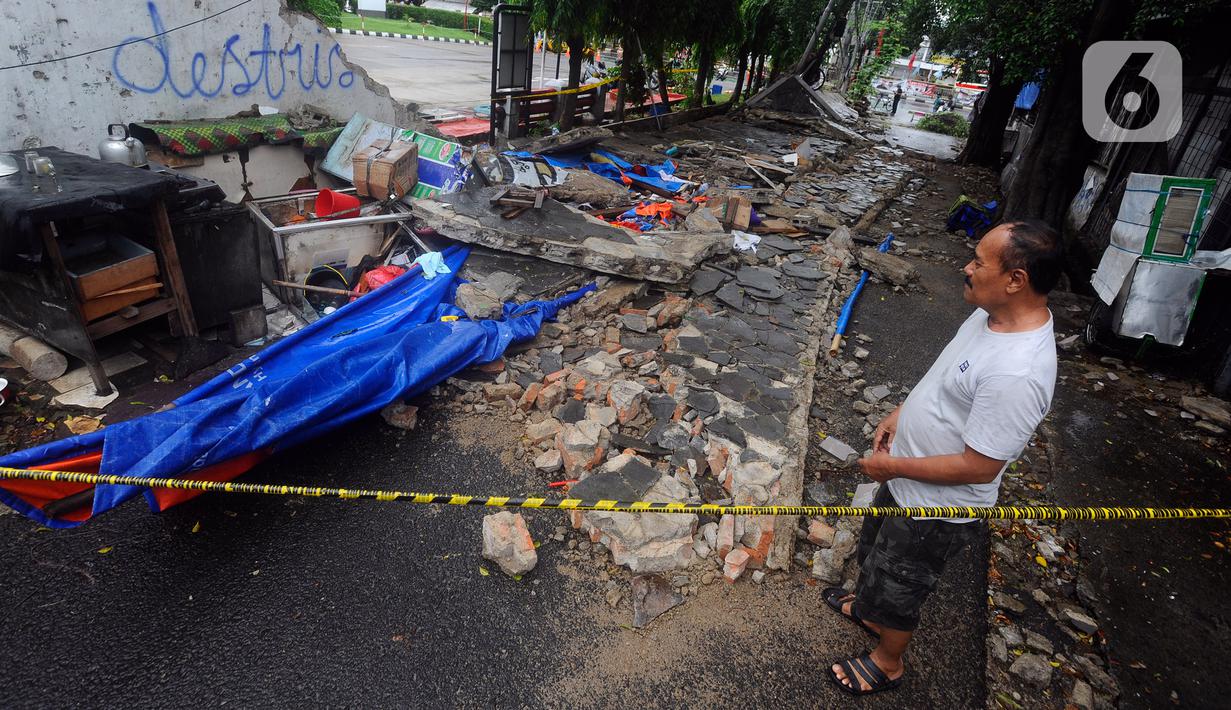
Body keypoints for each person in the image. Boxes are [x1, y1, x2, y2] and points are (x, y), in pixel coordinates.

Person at [824, 220, 1063, 696]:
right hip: (906, 478)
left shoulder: (1018, 373)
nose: (966, 268)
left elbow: (980, 467)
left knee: (902, 581)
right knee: (876, 554)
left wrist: (890, 467)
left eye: (978, 262)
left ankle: (887, 661)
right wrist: (901, 412)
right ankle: (870, 610)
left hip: (934, 509)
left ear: (1015, 280)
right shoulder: (988, 316)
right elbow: (945, 374)